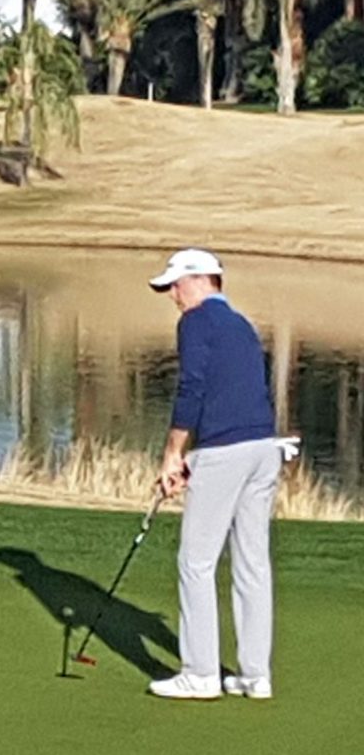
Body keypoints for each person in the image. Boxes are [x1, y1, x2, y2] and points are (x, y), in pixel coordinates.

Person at [145, 248, 280, 701]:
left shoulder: (197, 321)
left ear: (200, 280)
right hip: (264, 449)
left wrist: (173, 454)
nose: (173, 297)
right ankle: (255, 675)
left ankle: (201, 674)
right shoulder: (242, 324)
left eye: (175, 286)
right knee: (252, 563)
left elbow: (193, 388)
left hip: (226, 451)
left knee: (196, 562)